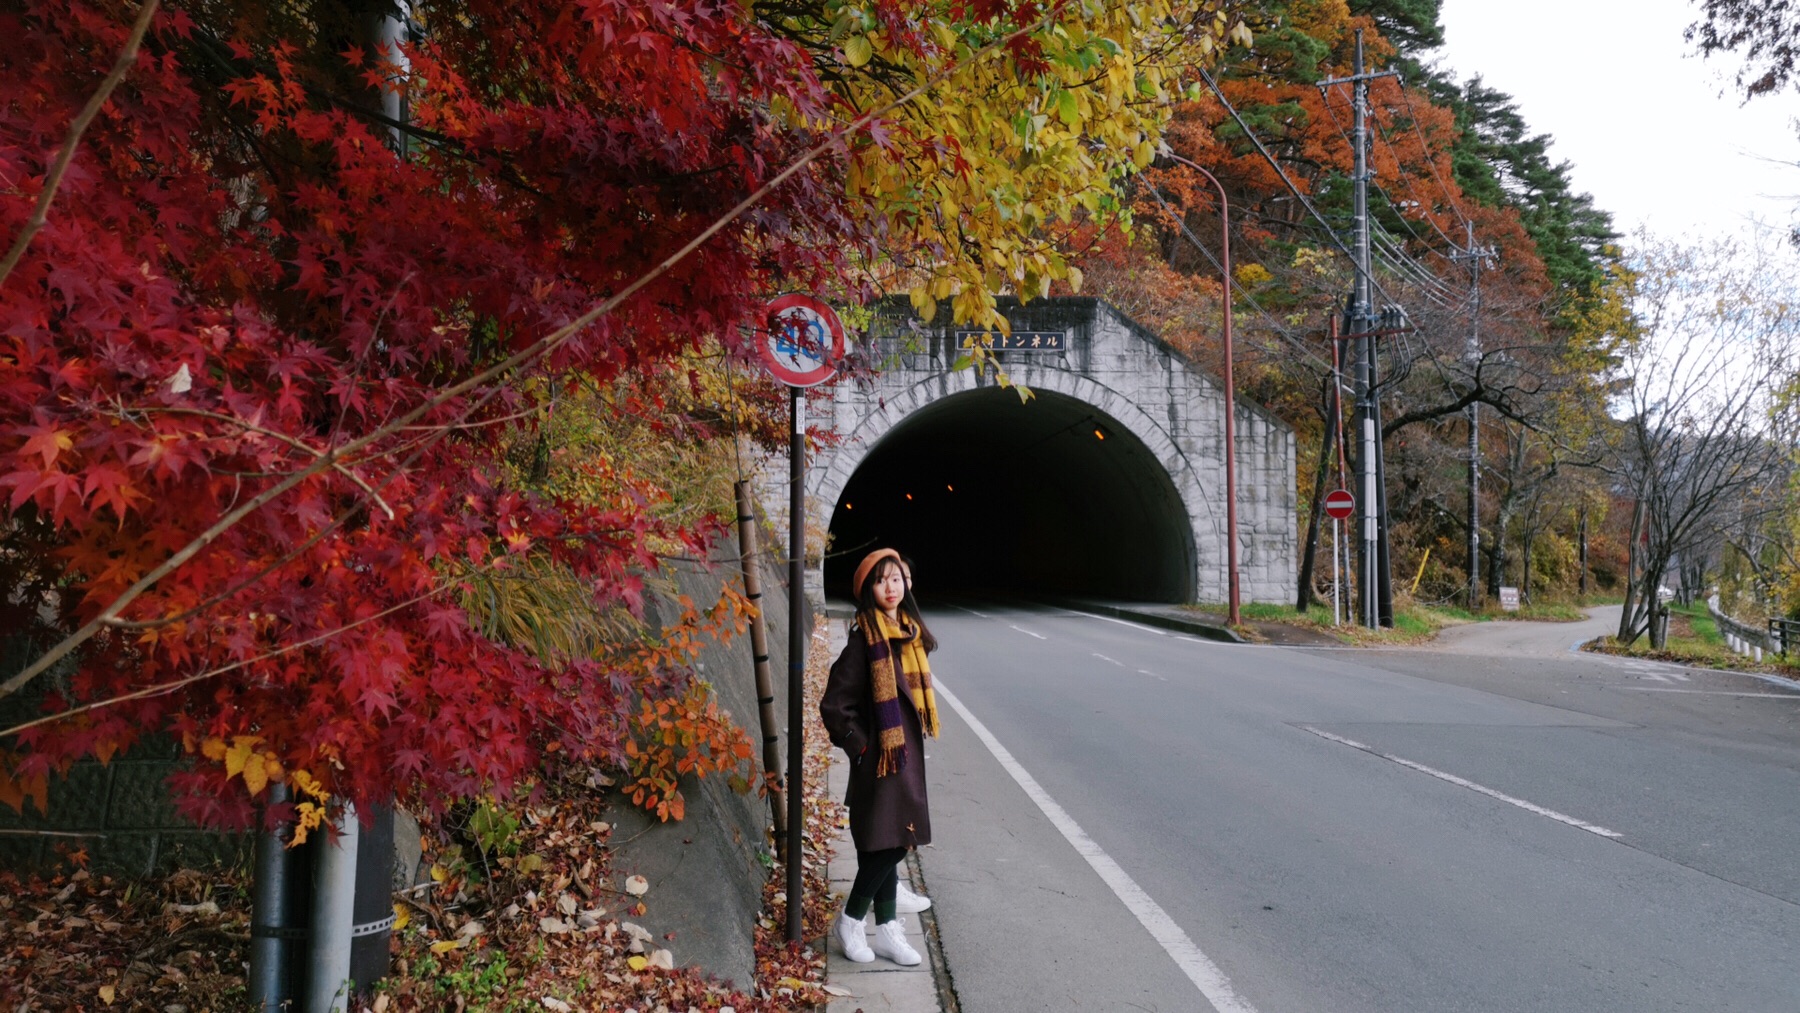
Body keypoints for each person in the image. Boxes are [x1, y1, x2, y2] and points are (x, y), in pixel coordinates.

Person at [819, 548, 941, 965]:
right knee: (893, 842)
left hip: (902, 759)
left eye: (895, 579)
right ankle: (852, 920)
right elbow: (834, 706)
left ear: (905, 583)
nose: (890, 587)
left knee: (888, 841)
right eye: (880, 580)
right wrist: (863, 747)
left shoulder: (906, 635)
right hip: (881, 762)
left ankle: (887, 929)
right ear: (868, 591)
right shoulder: (863, 641)